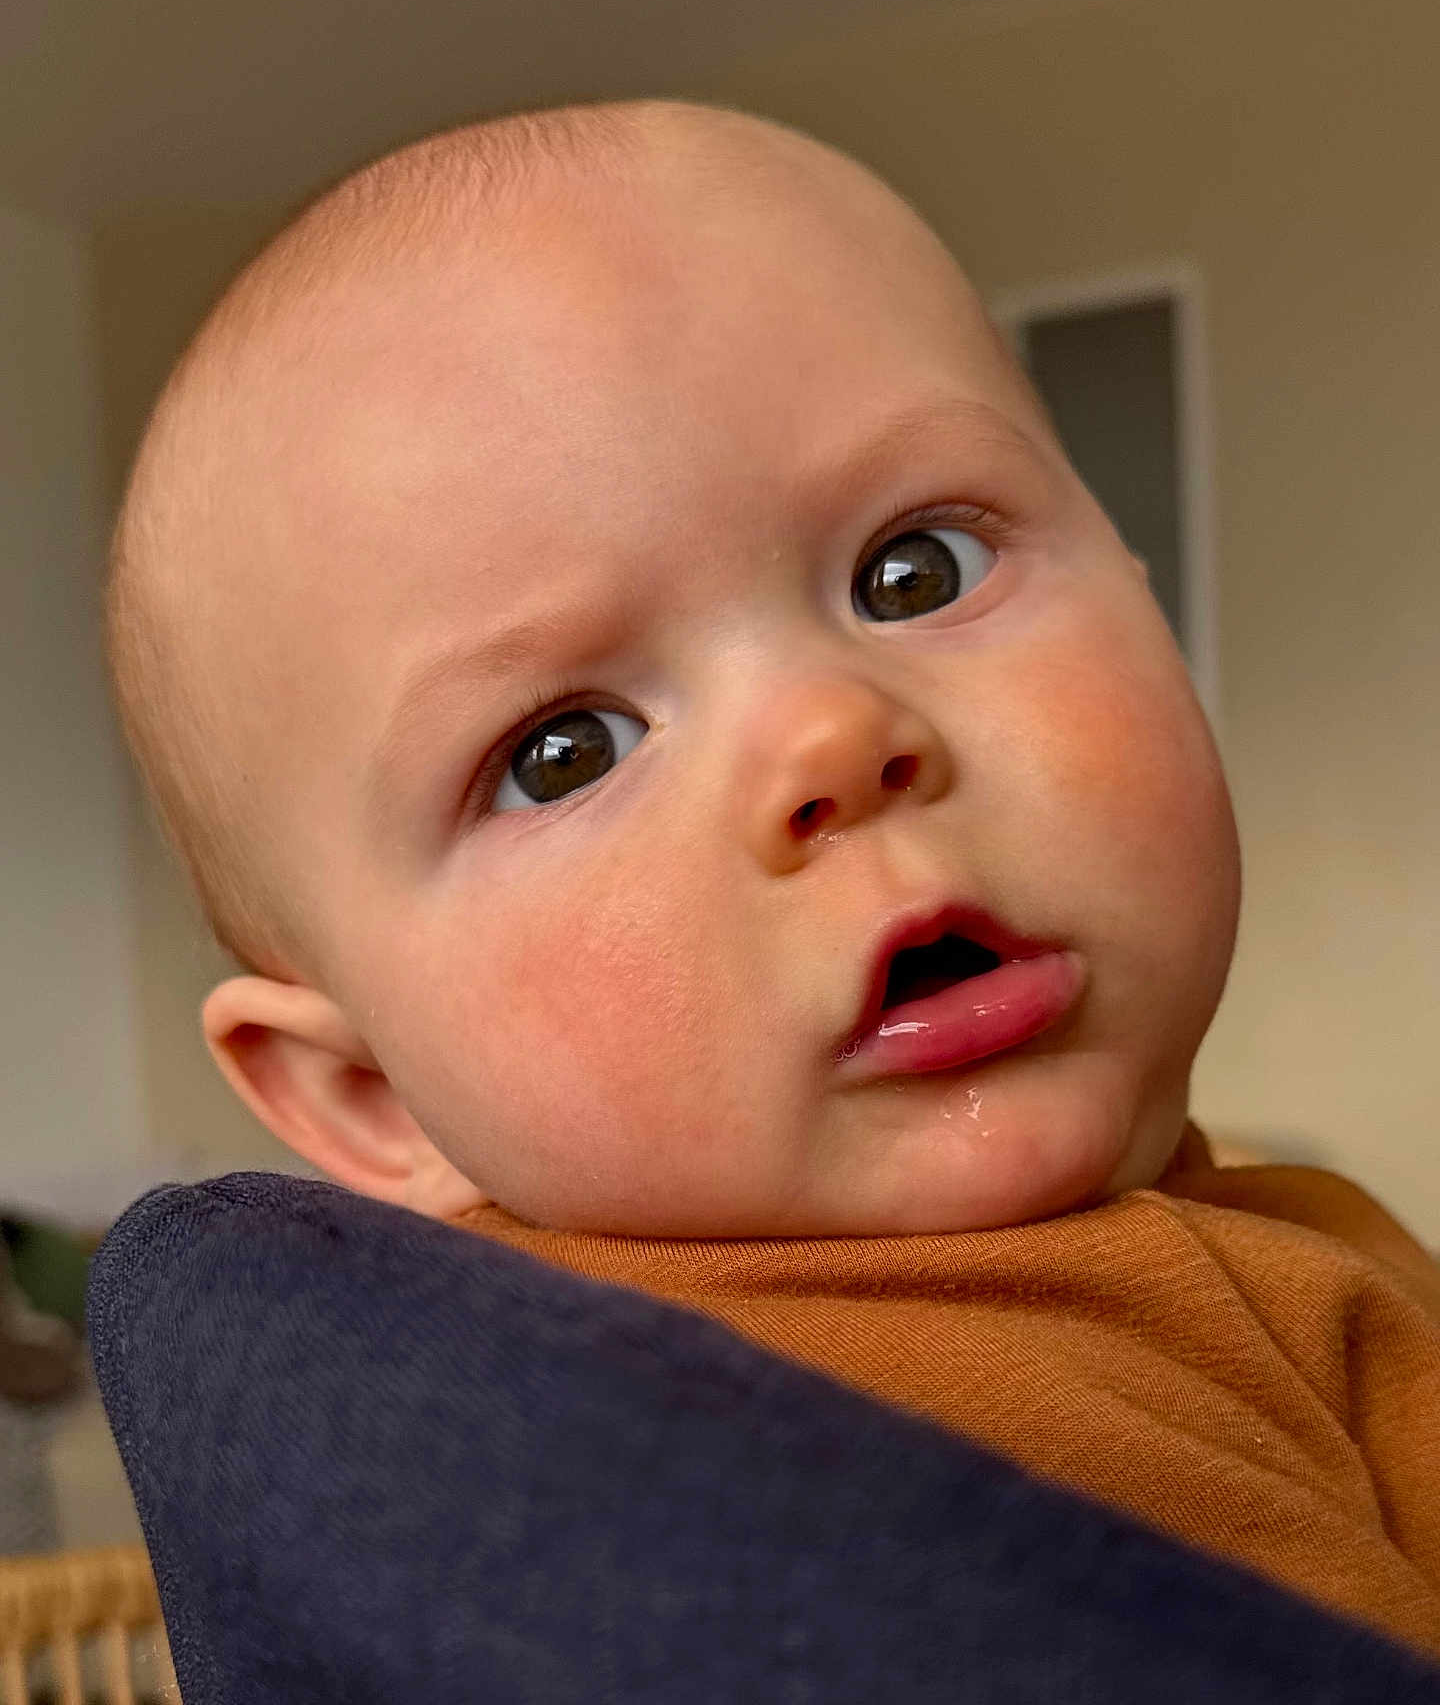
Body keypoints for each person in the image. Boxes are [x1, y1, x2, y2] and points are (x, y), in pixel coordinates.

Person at [103, 100, 1440, 1655]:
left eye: (914, 568)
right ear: (370, 1099)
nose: (832, 737)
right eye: (565, 750)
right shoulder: (613, 1454)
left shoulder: (1289, 1235)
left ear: (1139, 587)